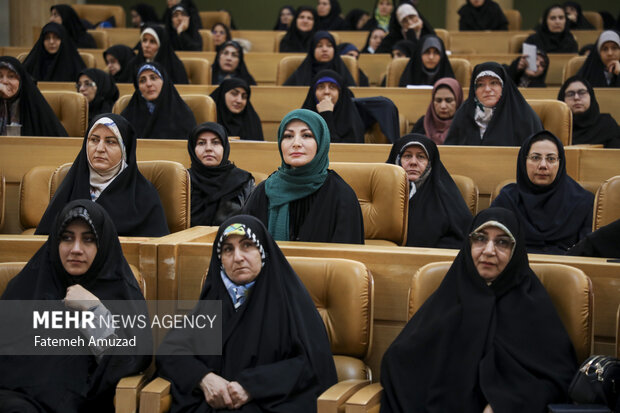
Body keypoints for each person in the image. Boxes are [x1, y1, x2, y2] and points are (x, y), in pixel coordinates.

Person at [380, 207, 578, 412]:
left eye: (502, 242)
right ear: (468, 244)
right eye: (480, 239)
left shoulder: (532, 305)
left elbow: (558, 379)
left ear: (516, 250)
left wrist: (504, 404)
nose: (489, 251)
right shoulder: (449, 299)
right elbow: (398, 364)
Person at [156, 214, 338, 412]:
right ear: (220, 260)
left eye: (247, 245)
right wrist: (204, 378)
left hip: (270, 404)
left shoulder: (289, 300)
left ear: (262, 251)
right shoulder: (215, 299)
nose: (238, 257)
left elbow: (311, 364)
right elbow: (171, 350)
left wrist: (251, 386)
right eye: (228, 249)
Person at [0, 200, 151, 412]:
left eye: (88, 240)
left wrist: (94, 310)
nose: (76, 249)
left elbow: (127, 360)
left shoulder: (119, 293)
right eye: (67, 238)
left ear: (103, 245)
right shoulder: (28, 285)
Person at [35, 114, 169, 237]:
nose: (100, 148)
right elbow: (44, 242)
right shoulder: (70, 186)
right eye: (94, 140)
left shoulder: (144, 195)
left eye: (110, 142)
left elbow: (157, 250)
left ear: (125, 150)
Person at [243, 109, 364, 243]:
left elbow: (349, 257)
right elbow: (243, 244)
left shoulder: (342, 196)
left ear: (321, 142)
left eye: (306, 135)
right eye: (288, 136)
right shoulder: (264, 191)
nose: (296, 143)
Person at [491, 131, 594, 254]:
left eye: (551, 159)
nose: (543, 165)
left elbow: (586, 254)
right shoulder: (507, 199)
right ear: (523, 162)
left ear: (560, 164)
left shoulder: (583, 203)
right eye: (535, 158)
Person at [386, 134, 472, 248]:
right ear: (397, 160)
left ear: (430, 163)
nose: (413, 162)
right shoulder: (382, 191)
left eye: (421, 157)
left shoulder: (445, 196)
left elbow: (461, 238)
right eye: (407, 156)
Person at [444, 62, 543, 146]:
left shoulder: (525, 117)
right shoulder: (463, 114)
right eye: (480, 84)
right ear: (474, 90)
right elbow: (450, 153)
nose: (487, 89)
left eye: (494, 83)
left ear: (504, 87)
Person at [187, 123, 254, 226]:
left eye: (215, 142)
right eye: (201, 143)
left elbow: (252, 223)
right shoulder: (184, 180)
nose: (208, 148)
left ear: (225, 147)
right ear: (192, 148)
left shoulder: (243, 181)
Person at [121, 62, 196, 140]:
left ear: (164, 82)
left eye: (153, 78)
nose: (149, 84)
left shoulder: (183, 114)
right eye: (142, 81)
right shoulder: (128, 115)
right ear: (138, 88)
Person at [0, 56, 68, 137]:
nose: (4, 82)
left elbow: (60, 142)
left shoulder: (34, 105)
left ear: (21, 81)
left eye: (11, 76)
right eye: (0, 76)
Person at [301, 69, 366, 143]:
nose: (326, 92)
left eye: (332, 87)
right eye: (321, 87)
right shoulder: (303, 118)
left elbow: (339, 151)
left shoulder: (351, 121)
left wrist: (326, 115)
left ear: (340, 93)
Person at [557, 76, 620, 147]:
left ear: (591, 97)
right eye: (570, 94)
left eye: (582, 92)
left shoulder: (606, 124)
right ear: (562, 99)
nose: (576, 98)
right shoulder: (557, 126)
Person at [284, 31, 357, 87]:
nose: (324, 49)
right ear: (312, 50)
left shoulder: (342, 71)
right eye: (319, 46)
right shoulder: (301, 73)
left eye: (329, 46)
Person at [410, 77, 464, 145]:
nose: (443, 106)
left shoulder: (465, 126)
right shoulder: (423, 123)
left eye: (449, 100)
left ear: (458, 101)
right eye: (438, 100)